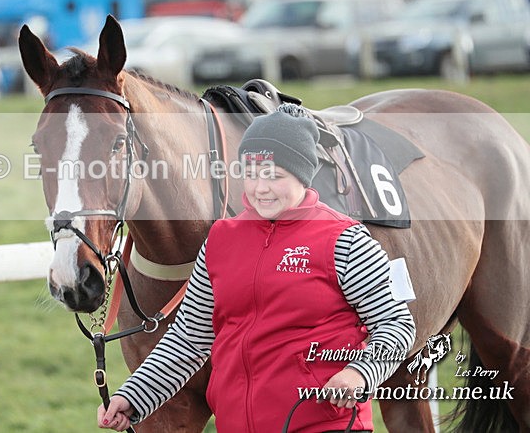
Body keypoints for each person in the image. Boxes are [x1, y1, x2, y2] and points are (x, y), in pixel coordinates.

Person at [98, 104, 416, 432]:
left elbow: (396, 324)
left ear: (302, 174)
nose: (260, 188)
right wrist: (134, 397)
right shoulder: (220, 240)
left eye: (274, 176)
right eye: (251, 173)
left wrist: (361, 372)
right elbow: (189, 339)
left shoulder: (345, 240)